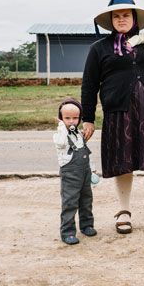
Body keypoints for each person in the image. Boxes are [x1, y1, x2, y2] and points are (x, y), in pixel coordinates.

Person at [81, 0, 144, 234]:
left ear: (135, 18)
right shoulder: (100, 49)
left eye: (126, 15)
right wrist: (88, 118)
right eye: (117, 15)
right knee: (123, 160)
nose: (121, 19)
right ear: (111, 20)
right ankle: (124, 210)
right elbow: (89, 84)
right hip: (119, 111)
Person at [53, 98, 95, 245]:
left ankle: (87, 224)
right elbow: (61, 143)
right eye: (67, 118)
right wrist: (62, 127)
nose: (71, 121)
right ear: (61, 119)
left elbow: (86, 152)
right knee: (70, 202)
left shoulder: (78, 134)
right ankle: (68, 232)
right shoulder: (60, 134)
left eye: (75, 118)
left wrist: (93, 169)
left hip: (84, 172)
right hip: (70, 175)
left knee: (86, 200)